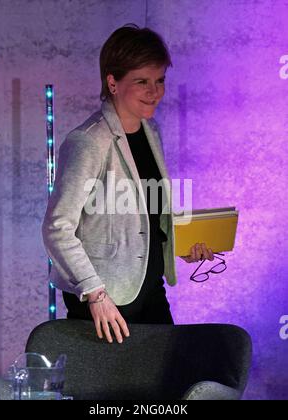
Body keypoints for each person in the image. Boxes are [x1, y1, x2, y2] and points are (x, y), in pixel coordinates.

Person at [42, 25, 214, 345]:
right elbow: (57, 227)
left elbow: (145, 217)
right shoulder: (88, 141)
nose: (155, 91)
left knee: (168, 379)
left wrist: (184, 246)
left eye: (159, 80)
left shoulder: (151, 131)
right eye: (142, 81)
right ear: (112, 82)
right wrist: (95, 294)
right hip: (105, 301)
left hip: (149, 288)